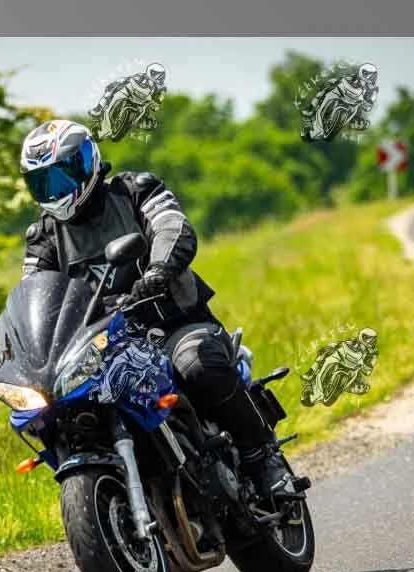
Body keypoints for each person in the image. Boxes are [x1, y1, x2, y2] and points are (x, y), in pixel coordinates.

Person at [16, 119, 304, 505]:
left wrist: (158, 271)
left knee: (197, 365)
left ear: (86, 163)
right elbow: (34, 294)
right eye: (43, 183)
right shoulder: (44, 237)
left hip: (170, 323)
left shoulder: (136, 191)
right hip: (103, 346)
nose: (55, 192)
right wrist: (22, 344)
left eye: (61, 177)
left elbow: (173, 228)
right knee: (57, 411)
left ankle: (261, 458)